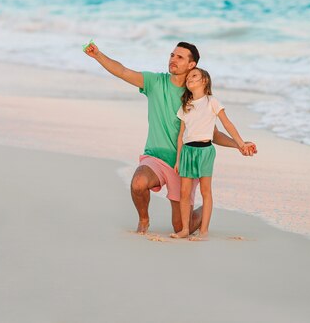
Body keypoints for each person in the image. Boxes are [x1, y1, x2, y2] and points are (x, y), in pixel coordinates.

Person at [84, 41, 257, 235]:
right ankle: (143, 219)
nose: (173, 59)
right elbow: (123, 71)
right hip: (155, 159)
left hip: (183, 165)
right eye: (172, 55)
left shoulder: (196, 98)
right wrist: (98, 55)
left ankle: (202, 211)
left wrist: (239, 145)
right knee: (138, 183)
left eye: (180, 57)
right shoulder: (155, 82)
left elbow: (213, 134)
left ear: (192, 65)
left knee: (182, 226)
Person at [171, 67, 248, 241]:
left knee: (206, 191)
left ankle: (204, 230)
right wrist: (178, 160)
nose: (190, 78)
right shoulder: (185, 105)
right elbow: (180, 136)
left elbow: (227, 124)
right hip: (187, 153)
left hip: (205, 151)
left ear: (204, 81)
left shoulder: (212, 101)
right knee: (184, 192)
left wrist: (241, 143)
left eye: (194, 76)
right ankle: (184, 229)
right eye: (189, 76)